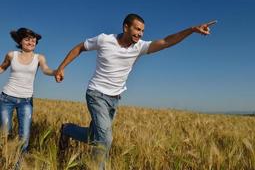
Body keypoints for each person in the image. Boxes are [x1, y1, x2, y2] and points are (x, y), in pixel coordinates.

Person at [55, 13, 216, 169]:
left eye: (142, 31)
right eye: (137, 29)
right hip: (96, 94)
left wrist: (192, 30)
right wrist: (62, 67)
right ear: (126, 27)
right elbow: (79, 48)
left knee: (93, 137)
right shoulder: (105, 39)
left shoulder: (139, 47)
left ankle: (67, 129)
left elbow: (167, 41)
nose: (140, 34)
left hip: (114, 99)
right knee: (105, 139)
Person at [0, 28, 56, 167]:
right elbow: (2, 68)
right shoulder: (11, 55)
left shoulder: (39, 58)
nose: (31, 42)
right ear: (20, 41)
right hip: (6, 98)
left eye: (33, 39)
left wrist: (56, 72)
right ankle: (5, 161)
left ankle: (17, 166)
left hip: (26, 101)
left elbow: (46, 69)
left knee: (24, 137)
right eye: (27, 39)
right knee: (5, 134)